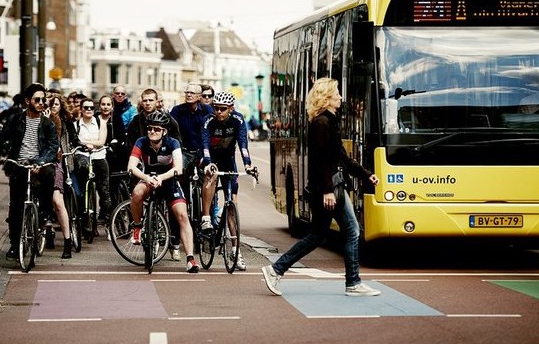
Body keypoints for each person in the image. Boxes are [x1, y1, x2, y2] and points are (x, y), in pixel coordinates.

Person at [261, 78, 381, 297]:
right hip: (329, 187)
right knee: (351, 231)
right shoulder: (322, 123)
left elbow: (342, 157)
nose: (341, 97)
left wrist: (366, 175)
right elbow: (322, 161)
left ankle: (276, 268)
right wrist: (327, 190)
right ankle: (353, 283)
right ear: (327, 98)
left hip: (328, 186)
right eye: (337, 94)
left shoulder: (328, 121)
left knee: (317, 235)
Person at [0, 83, 59, 260]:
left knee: (50, 173)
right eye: (37, 100)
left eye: (44, 100)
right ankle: (14, 246)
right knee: (15, 209)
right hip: (19, 165)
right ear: (28, 101)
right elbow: (1, 137)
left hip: (40, 164)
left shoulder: (48, 124)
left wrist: (41, 161)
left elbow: (52, 147)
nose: (42, 103)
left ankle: (44, 213)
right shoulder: (16, 120)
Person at [127, 111, 199, 273]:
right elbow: (131, 166)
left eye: (157, 129)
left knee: (182, 215)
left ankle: (190, 259)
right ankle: (137, 228)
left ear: (164, 131)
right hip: (148, 179)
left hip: (168, 180)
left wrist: (161, 178)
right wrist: (147, 177)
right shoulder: (141, 141)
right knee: (137, 192)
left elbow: (178, 168)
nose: (152, 132)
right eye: (150, 128)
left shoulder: (173, 143)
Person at [127, 88, 183, 260]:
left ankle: (174, 243)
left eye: (151, 100)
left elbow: (178, 144)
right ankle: (138, 226)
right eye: (145, 100)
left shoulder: (169, 122)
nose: (148, 103)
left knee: (176, 206)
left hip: (168, 166)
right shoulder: (136, 121)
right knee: (136, 193)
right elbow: (131, 144)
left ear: (157, 101)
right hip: (145, 166)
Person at [201, 91, 253, 271]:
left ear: (231, 109)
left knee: (233, 207)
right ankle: (206, 217)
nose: (218, 112)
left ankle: (235, 251)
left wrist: (248, 165)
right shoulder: (209, 120)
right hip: (211, 159)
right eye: (215, 108)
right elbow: (205, 145)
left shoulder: (238, 120)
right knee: (212, 176)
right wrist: (208, 163)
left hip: (228, 159)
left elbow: (243, 144)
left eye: (222, 109)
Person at [45, 93, 80, 258]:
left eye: (56, 104)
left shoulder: (64, 122)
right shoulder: (40, 120)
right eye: (50, 104)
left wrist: (78, 146)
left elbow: (72, 139)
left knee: (60, 201)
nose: (53, 107)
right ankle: (46, 227)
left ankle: (68, 240)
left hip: (60, 161)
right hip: (40, 164)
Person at [75, 97, 114, 229]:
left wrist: (84, 143)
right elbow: (74, 142)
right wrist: (88, 144)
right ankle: (83, 218)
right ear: (81, 109)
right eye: (86, 108)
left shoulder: (100, 122)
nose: (89, 110)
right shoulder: (76, 125)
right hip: (82, 156)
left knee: (104, 191)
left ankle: (108, 220)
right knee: (81, 189)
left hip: (98, 156)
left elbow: (101, 141)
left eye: (92, 108)